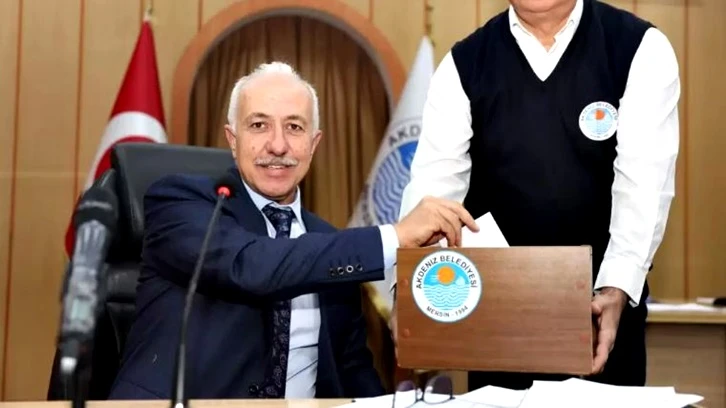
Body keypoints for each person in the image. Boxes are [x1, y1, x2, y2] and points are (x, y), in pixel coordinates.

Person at [108, 62, 478, 399]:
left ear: (314, 144)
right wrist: (394, 237)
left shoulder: (332, 246)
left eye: (294, 127)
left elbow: (351, 370)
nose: (278, 145)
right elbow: (250, 266)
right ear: (232, 139)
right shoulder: (181, 202)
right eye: (258, 125)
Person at [390, 0, 680, 390]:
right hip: (494, 321)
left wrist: (615, 289)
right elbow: (433, 196)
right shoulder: (464, 63)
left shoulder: (638, 48)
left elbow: (643, 187)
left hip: (600, 316)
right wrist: (408, 291)